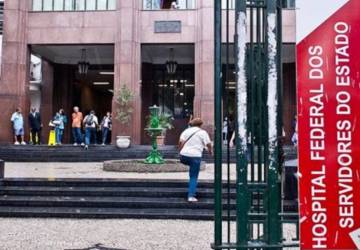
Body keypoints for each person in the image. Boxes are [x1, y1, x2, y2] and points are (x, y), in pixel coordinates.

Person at [179, 118, 213, 202]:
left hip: (184, 156)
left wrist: (180, 150)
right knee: (193, 177)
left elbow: (180, 142)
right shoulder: (202, 132)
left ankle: (191, 168)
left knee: (191, 168)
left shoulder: (186, 131)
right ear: (201, 125)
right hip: (195, 156)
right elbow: (208, 144)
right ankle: (191, 196)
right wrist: (210, 151)